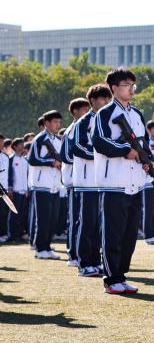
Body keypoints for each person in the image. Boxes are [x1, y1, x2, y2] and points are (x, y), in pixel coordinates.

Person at [93, 67, 150, 294]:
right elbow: (100, 142)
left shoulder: (136, 114)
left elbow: (144, 143)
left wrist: (146, 160)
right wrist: (126, 150)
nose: (131, 89)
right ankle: (111, 279)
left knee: (129, 234)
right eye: (126, 85)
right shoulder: (104, 114)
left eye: (132, 85)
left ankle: (122, 275)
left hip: (135, 182)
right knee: (113, 234)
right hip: (113, 182)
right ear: (114, 88)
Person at [28, 110, 64, 260]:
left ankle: (47, 247)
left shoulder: (57, 140)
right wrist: (51, 162)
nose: (57, 125)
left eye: (59, 122)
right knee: (43, 220)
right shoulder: (39, 139)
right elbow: (32, 159)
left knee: (52, 219)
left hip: (55, 185)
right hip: (41, 185)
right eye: (55, 122)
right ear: (46, 123)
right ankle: (40, 249)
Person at [61, 98, 89, 267]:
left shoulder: (84, 128)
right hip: (73, 180)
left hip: (83, 181)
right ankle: (73, 254)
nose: (87, 113)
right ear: (75, 111)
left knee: (83, 219)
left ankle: (81, 252)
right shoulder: (71, 130)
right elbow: (65, 156)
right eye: (85, 109)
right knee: (74, 219)